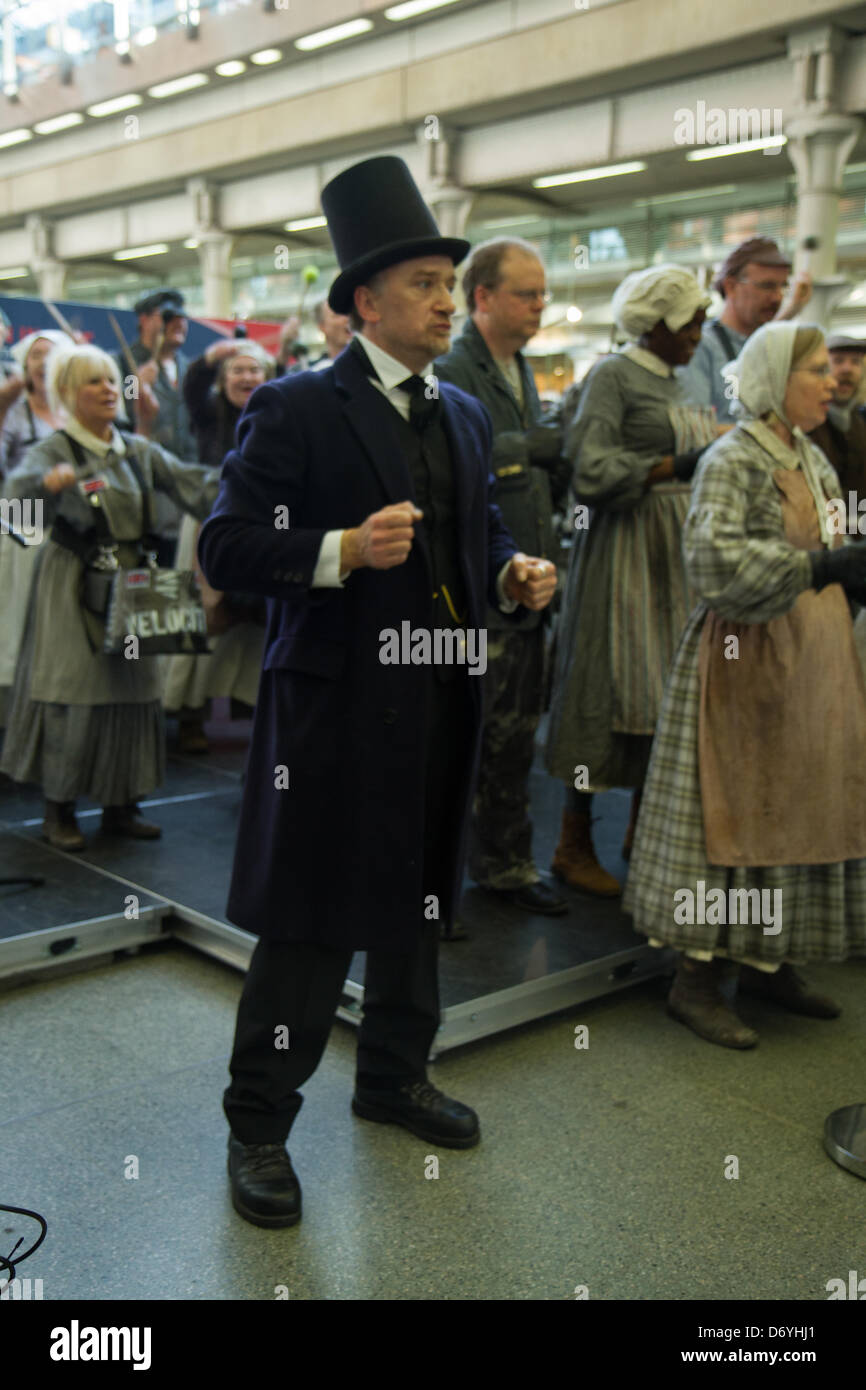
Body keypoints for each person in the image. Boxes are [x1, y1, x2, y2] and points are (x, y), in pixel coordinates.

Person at [197, 154, 557, 1229]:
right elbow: (225, 545)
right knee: (307, 927)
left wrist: (508, 574)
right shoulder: (299, 406)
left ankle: (392, 1077)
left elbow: (477, 536)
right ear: (362, 301)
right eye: (423, 285)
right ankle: (257, 1126)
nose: (447, 300)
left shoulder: (460, 416)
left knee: (417, 910)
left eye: (452, 285)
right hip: (333, 713)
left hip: (440, 699)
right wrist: (336, 549)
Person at [623, 321, 866, 1048]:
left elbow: (824, 539)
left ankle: (771, 960)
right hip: (748, 661)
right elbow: (716, 562)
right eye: (817, 369)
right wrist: (819, 571)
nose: (832, 380)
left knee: (792, 806)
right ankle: (694, 983)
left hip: (808, 665)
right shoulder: (734, 458)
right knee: (735, 817)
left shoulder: (808, 455)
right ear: (774, 380)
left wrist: (846, 562)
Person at [0, 345, 220, 850]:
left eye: (110, 381)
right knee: (74, 692)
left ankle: (123, 806)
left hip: (134, 584)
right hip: (71, 587)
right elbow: (17, 518)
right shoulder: (52, 450)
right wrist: (43, 489)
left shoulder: (137, 451)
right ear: (66, 394)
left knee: (134, 691)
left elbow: (196, 484)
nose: (107, 391)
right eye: (92, 383)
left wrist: (256, 476)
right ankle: (60, 809)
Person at [545, 265, 720, 895]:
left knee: (665, 694)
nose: (699, 330)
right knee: (607, 684)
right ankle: (573, 841)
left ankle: (645, 834)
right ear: (656, 324)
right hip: (624, 547)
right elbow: (588, 467)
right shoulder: (612, 377)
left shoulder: (682, 378)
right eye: (690, 321)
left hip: (673, 554)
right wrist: (677, 462)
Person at [435, 237, 571, 915]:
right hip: (481, 591)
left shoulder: (518, 368)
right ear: (482, 298)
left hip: (528, 584)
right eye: (527, 293)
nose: (539, 305)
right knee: (474, 737)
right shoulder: (455, 368)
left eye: (543, 293)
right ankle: (444, 880)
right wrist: (538, 448)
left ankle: (505, 863)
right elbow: (462, 465)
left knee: (515, 734)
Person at [163, 337, 274, 752]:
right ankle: (188, 714)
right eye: (237, 370)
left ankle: (246, 708)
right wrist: (215, 354)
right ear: (223, 381)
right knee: (201, 620)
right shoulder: (208, 416)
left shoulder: (278, 417)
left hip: (258, 528)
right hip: (206, 526)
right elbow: (193, 383)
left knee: (247, 625)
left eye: (254, 370)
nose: (247, 377)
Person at [0, 330, 72, 725]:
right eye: (37, 354)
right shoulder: (14, 410)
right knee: (18, 625)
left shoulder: (73, 409)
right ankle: (16, 719)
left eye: (53, 354)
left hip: (67, 530)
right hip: (21, 526)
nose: (44, 361)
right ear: (24, 364)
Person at [678, 237, 811, 424]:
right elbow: (695, 431)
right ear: (731, 286)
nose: (777, 297)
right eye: (767, 286)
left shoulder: (768, 348)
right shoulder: (700, 347)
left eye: (782, 286)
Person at [116, 289, 197, 566]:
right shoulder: (122, 364)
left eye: (183, 318)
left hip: (187, 491)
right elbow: (121, 420)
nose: (179, 323)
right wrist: (137, 387)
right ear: (145, 320)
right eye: (169, 317)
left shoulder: (190, 370)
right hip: (148, 494)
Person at [808, 333, 866, 501]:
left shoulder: (860, 422)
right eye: (838, 361)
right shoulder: (808, 423)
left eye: (855, 362)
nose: (847, 369)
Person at [309, 299, 352, 370]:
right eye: (338, 315)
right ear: (322, 327)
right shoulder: (316, 371)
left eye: (348, 313)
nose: (347, 319)